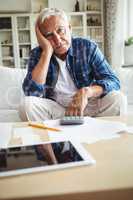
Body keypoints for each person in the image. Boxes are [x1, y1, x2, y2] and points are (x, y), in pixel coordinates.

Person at [19, 8, 122, 122]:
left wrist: (88, 91)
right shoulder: (38, 54)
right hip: (57, 110)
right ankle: (56, 135)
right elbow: (31, 93)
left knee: (118, 99)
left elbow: (113, 81)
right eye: (49, 35)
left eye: (60, 30)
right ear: (42, 39)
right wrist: (47, 52)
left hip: (87, 106)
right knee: (26, 105)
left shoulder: (87, 47)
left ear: (70, 28)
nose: (57, 40)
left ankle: (90, 129)